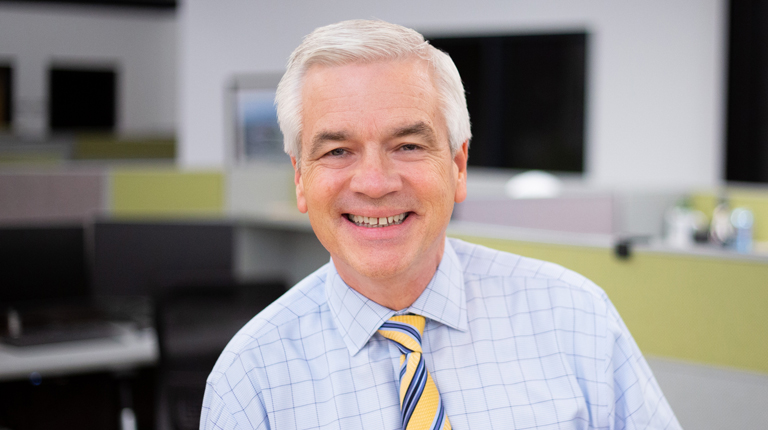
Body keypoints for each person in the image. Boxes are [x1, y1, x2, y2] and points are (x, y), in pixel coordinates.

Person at [201, 19, 680, 430]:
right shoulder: (250, 381)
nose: (374, 183)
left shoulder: (578, 320)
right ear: (301, 179)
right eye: (337, 151)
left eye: (407, 145)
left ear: (458, 165)